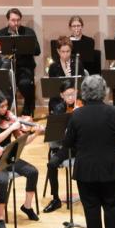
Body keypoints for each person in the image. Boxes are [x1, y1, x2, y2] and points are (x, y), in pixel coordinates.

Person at [60, 75, 115, 228]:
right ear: (104, 92)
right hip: (110, 169)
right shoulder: (113, 112)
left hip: (85, 170)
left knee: (91, 208)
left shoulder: (76, 115)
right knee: (112, 207)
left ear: (84, 93)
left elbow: (68, 143)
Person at [0, 90, 42, 228]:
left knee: (33, 172)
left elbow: (23, 142)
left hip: (9, 155)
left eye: (6, 106)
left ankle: (27, 206)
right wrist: (12, 127)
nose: (5, 110)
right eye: (1, 107)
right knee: (3, 181)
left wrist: (35, 133)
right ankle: (1, 217)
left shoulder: (9, 119)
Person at [0, 8, 41, 117]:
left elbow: (37, 51)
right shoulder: (1, 34)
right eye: (13, 20)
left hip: (24, 68)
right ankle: (5, 112)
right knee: (4, 87)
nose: (16, 23)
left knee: (25, 84)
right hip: (7, 69)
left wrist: (23, 44)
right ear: (8, 20)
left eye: (18, 20)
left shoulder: (28, 32)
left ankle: (27, 109)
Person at [44, 82, 80, 213]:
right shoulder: (59, 110)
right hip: (66, 146)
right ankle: (55, 199)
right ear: (61, 96)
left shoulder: (83, 106)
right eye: (67, 95)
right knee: (51, 164)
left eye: (73, 94)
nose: (71, 98)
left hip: (82, 146)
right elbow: (57, 134)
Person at [47, 37, 83, 115]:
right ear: (58, 51)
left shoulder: (77, 64)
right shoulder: (53, 67)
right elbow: (52, 90)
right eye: (63, 52)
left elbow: (82, 85)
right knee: (57, 108)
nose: (65, 54)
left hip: (75, 98)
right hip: (59, 99)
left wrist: (70, 77)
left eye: (68, 51)